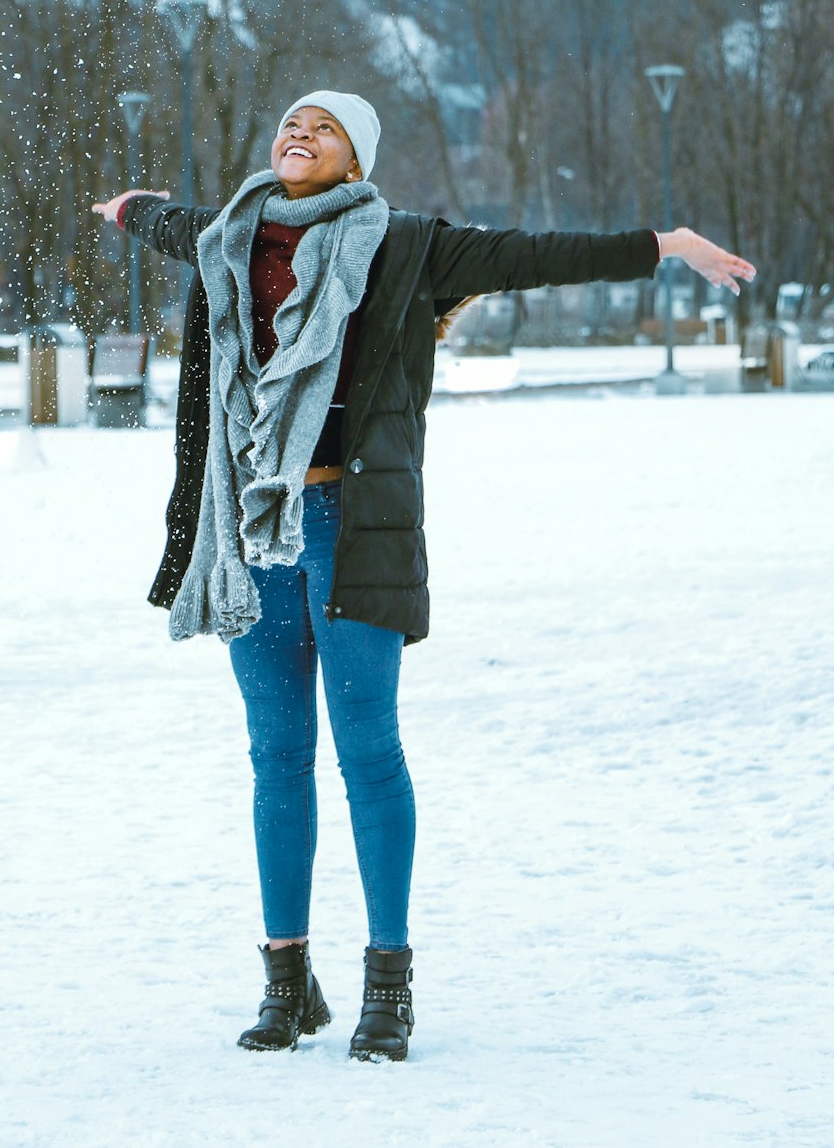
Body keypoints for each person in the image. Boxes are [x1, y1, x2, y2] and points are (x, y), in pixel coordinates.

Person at [92, 90, 756, 1061]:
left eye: (320, 129)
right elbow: (161, 221)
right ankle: (287, 983)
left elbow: (533, 255)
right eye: (289, 124)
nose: (296, 135)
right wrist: (129, 206)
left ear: (353, 160)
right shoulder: (228, 234)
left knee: (367, 753)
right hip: (254, 532)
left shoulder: (404, 244)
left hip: (357, 524)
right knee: (275, 758)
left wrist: (664, 242)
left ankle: (386, 984)